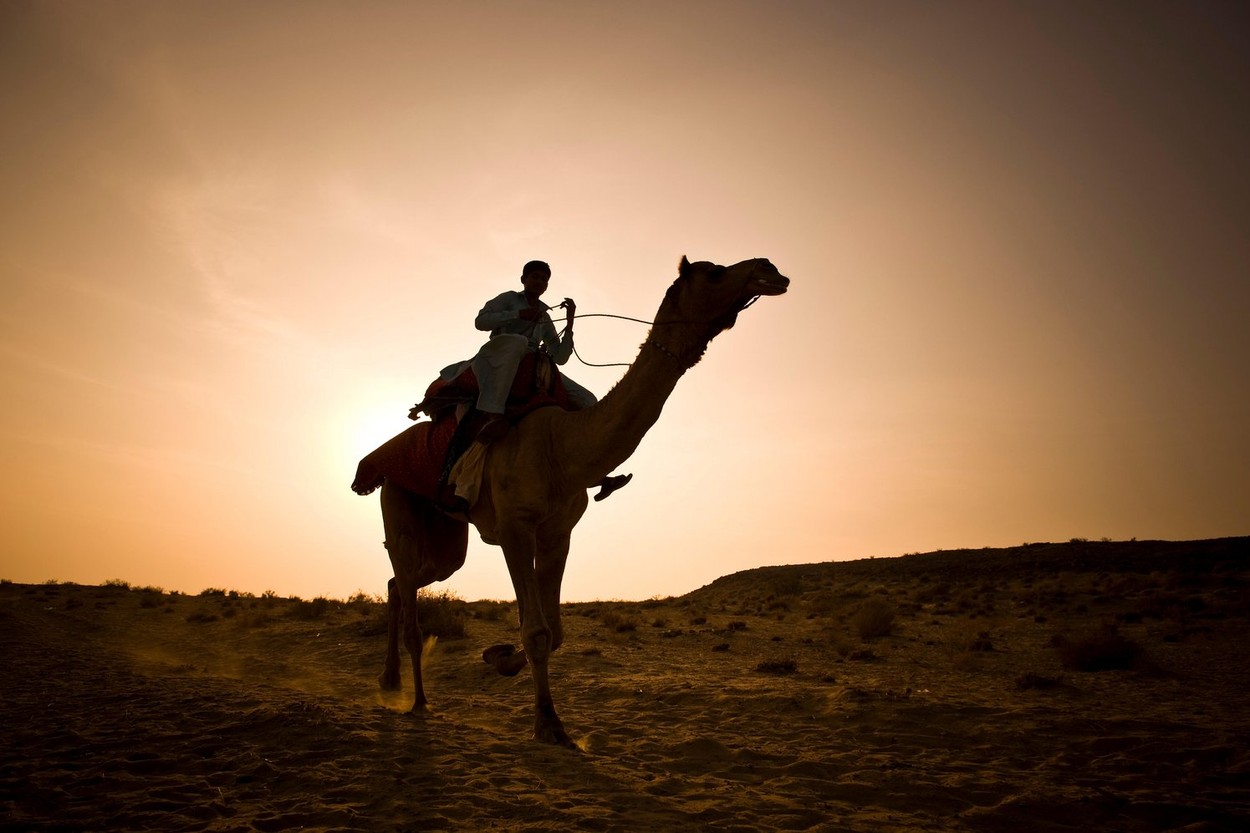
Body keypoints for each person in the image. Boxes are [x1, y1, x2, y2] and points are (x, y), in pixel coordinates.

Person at [469, 259, 631, 501]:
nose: (540, 282)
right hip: (500, 356)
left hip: (535, 362)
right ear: (524, 279)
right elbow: (480, 322)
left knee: (588, 400)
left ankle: (597, 474)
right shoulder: (509, 299)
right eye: (535, 277)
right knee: (519, 342)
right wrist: (517, 314)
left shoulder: (544, 316)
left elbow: (560, 356)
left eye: (544, 279)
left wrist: (570, 322)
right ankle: (493, 413)